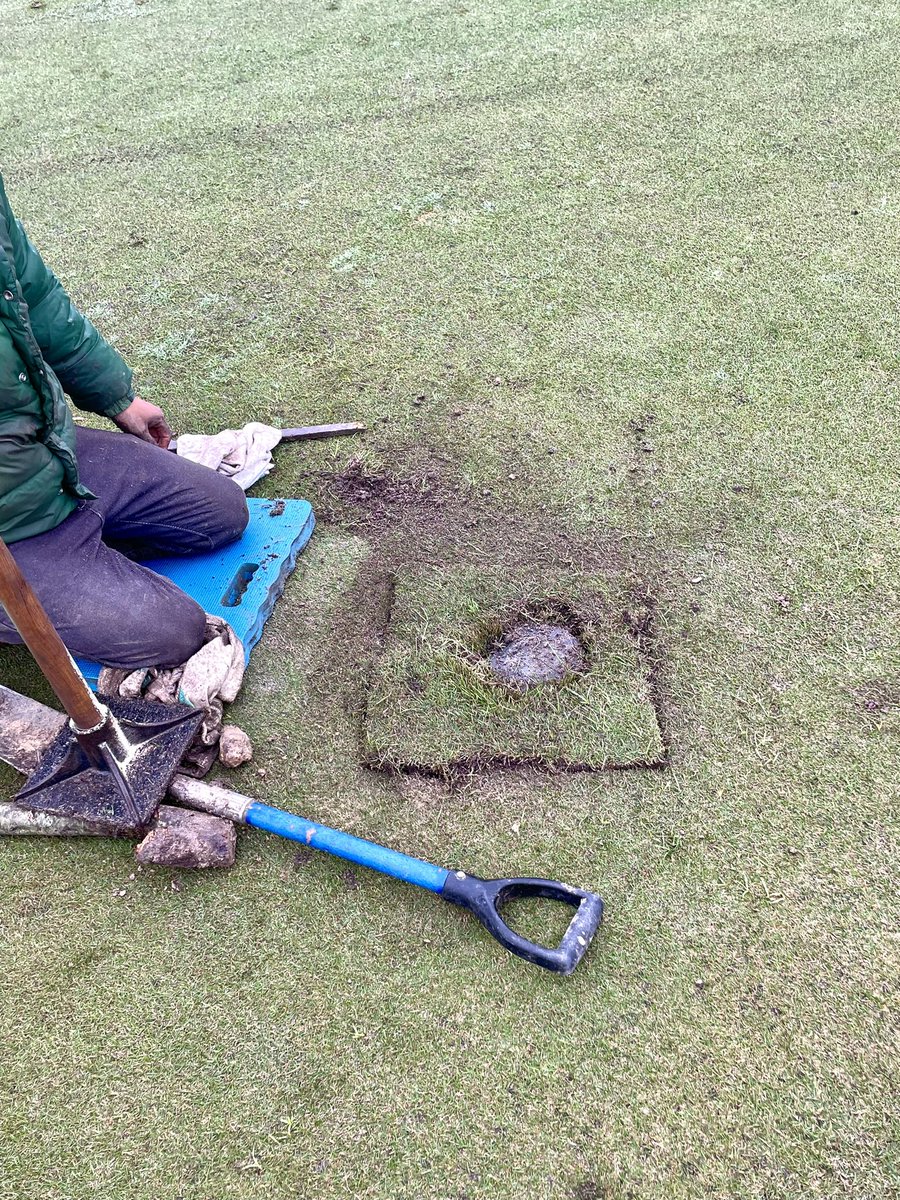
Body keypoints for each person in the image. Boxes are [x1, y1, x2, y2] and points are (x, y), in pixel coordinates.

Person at [0, 172, 248, 669]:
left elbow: (33, 295)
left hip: (46, 456)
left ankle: (85, 550)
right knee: (173, 633)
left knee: (221, 511)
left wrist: (116, 397)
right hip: (10, 528)